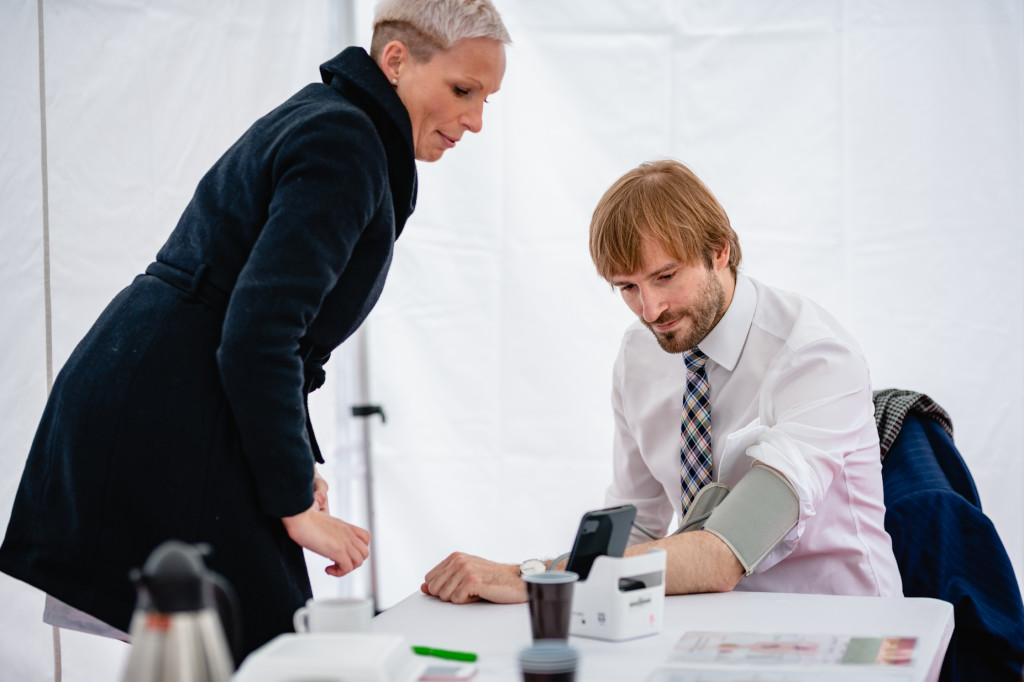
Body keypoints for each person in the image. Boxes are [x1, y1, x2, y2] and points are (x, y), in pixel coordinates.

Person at [0, 0, 509, 659]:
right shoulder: (346, 141)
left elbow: (270, 331)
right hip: (167, 408)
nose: (473, 121)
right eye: (462, 91)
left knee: (244, 648)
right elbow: (258, 332)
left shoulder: (342, 126)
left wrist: (291, 460)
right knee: (266, 647)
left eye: (486, 100)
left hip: (176, 393)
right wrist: (292, 500)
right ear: (396, 60)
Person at [421, 159, 902, 604]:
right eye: (628, 287)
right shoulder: (640, 353)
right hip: (714, 625)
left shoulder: (814, 357)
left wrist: (539, 576)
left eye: (665, 276)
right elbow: (637, 527)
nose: (651, 311)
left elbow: (724, 553)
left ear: (719, 251)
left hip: (837, 619)